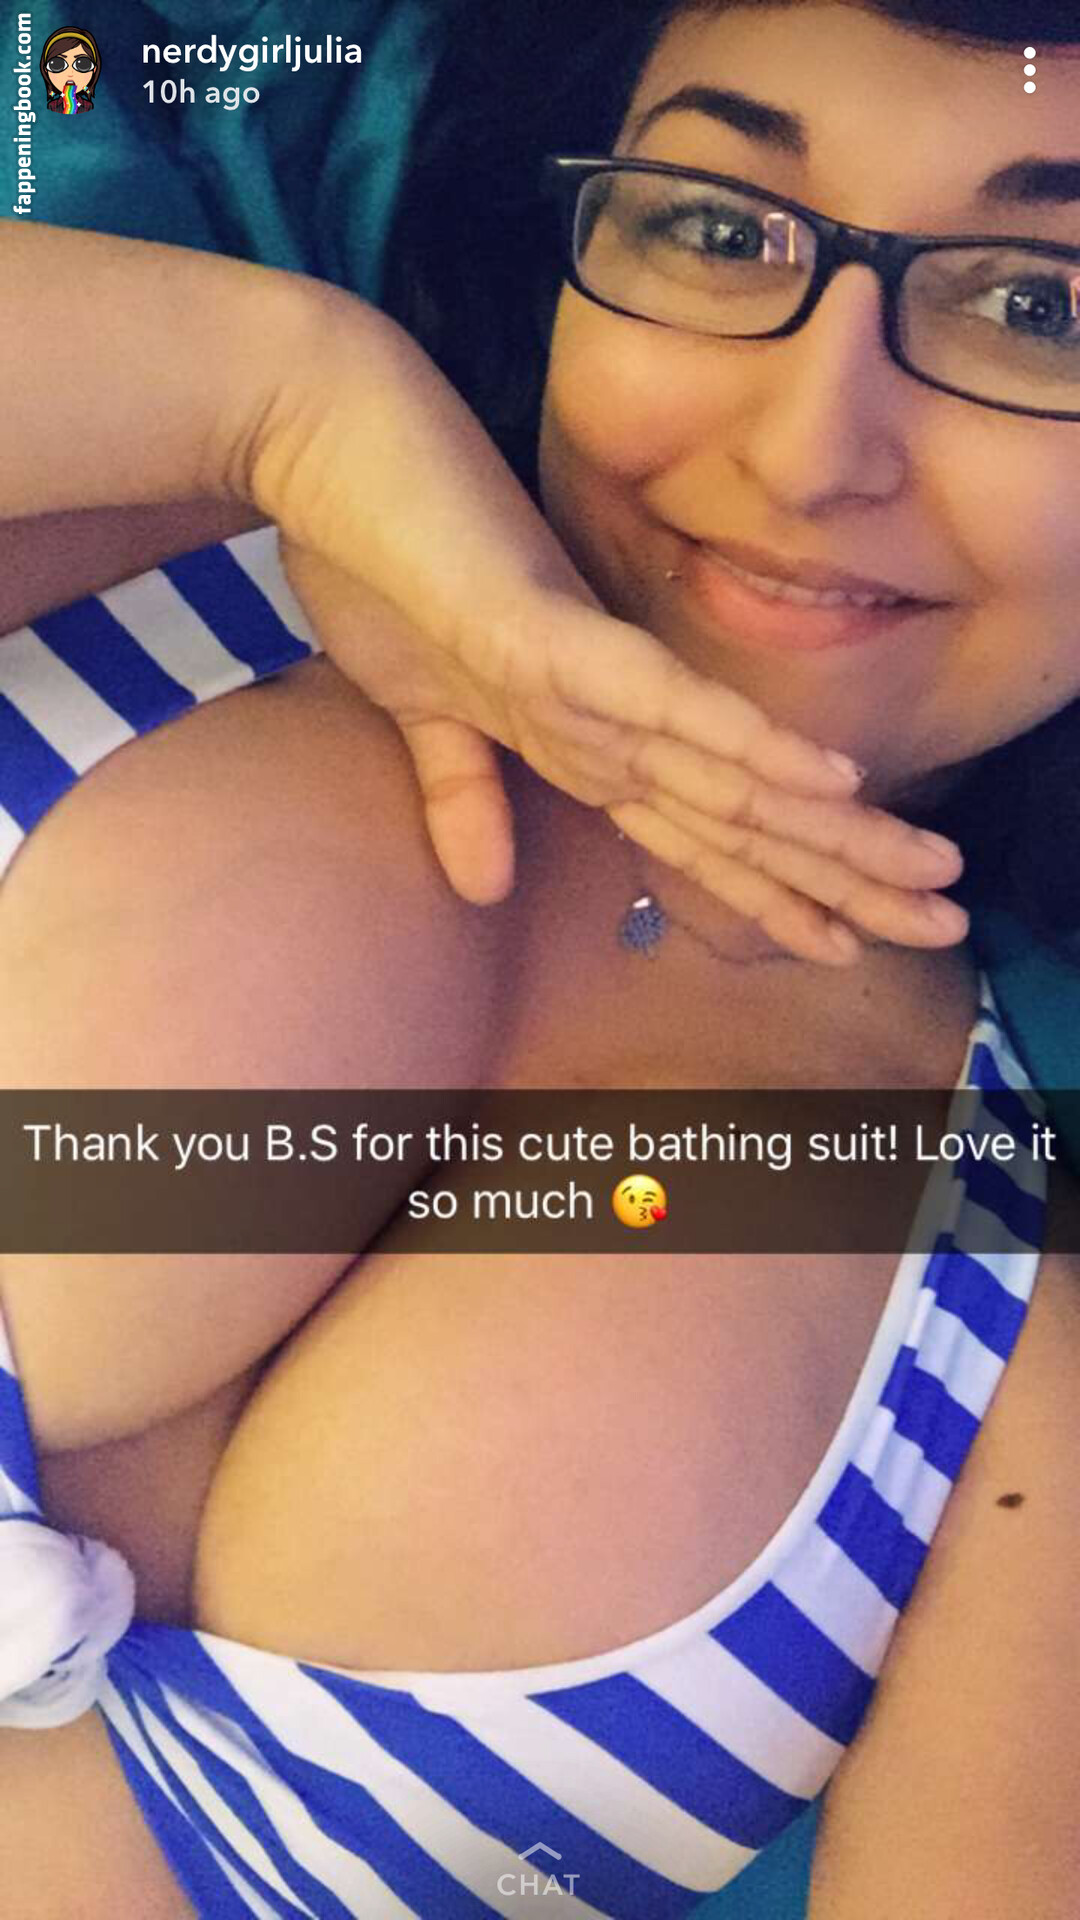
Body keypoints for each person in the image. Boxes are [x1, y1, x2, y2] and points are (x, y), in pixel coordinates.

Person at [1, 6, 1078, 1920]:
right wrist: (295, 397)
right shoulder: (154, 517)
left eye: (1040, 308)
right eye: (720, 227)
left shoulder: (1021, 1351)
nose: (809, 448)